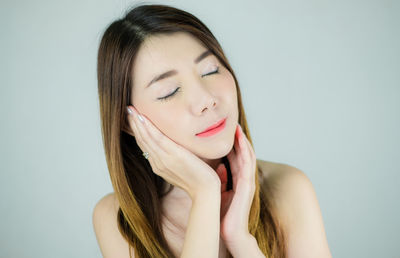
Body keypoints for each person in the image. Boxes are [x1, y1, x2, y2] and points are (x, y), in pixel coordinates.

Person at [92, 3, 332, 258]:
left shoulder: (288, 189)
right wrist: (204, 194)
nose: (206, 99)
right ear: (129, 122)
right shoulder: (118, 218)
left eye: (210, 70)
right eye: (169, 91)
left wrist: (241, 241)